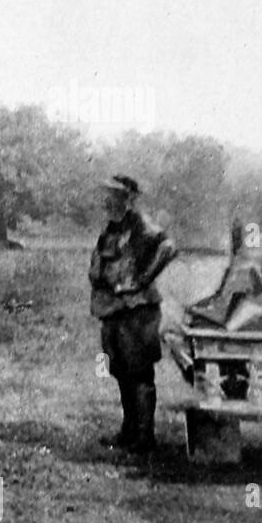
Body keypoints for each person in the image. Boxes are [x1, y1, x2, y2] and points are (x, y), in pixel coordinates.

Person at [89, 175, 177, 454]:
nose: (107, 200)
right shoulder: (112, 228)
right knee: (121, 372)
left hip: (137, 311)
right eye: (107, 194)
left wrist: (142, 279)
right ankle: (129, 432)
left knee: (138, 374)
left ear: (128, 198)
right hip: (114, 310)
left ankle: (144, 437)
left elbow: (168, 247)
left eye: (114, 194)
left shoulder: (140, 223)